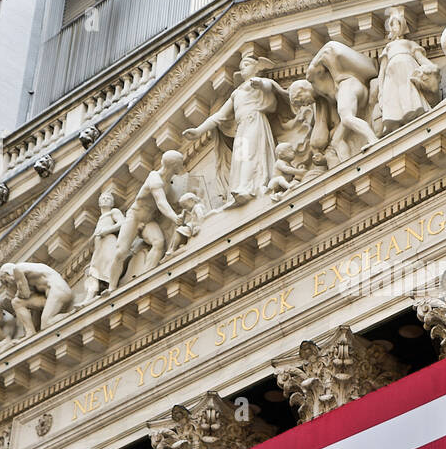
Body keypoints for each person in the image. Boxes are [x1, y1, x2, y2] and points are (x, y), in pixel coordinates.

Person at [183, 52, 290, 205]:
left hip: (254, 120)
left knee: (251, 154)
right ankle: (240, 188)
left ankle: (248, 187)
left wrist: (260, 85)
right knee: (240, 157)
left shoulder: (258, 82)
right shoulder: (236, 93)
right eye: (241, 67)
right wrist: (199, 131)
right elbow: (219, 115)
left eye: (246, 65)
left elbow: (269, 89)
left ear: (257, 67)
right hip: (242, 127)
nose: (243, 69)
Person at [108, 150, 189, 290]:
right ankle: (111, 287)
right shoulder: (155, 178)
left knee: (158, 242)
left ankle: (146, 276)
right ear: (173, 165)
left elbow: (172, 202)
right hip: (135, 217)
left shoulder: (168, 184)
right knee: (121, 251)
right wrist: (174, 217)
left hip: (148, 221)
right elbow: (161, 202)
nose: (181, 166)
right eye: (179, 163)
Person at [305, 40, 379, 159]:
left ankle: (373, 139)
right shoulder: (326, 98)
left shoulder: (313, 78)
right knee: (336, 140)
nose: (305, 104)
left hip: (349, 86)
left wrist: (333, 70)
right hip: (355, 90)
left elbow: (327, 49)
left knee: (347, 117)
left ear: (301, 91)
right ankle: (347, 164)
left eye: (299, 100)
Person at [373, 6, 439, 133]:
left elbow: (421, 59)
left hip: (408, 72)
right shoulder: (389, 47)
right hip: (393, 77)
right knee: (395, 97)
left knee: (410, 94)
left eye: (396, 24)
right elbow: (382, 71)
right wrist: (380, 91)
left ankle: (414, 115)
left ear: (402, 26)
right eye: (391, 25)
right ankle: (398, 120)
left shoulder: (408, 44)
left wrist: (432, 67)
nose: (394, 27)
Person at [0, 262, 74, 336]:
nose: (9, 285)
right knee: (17, 302)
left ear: (7, 273)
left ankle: (72, 314)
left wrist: (16, 293)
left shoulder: (17, 269)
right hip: (55, 294)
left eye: (6, 281)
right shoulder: (30, 270)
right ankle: (30, 332)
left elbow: (25, 294)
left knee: (46, 324)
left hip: (58, 292)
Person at [83, 191, 125, 300]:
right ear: (99, 203)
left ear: (112, 203)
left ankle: (112, 286)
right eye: (103, 198)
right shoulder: (101, 219)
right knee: (94, 271)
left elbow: (122, 222)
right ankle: (89, 297)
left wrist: (106, 231)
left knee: (109, 263)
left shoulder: (113, 212)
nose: (105, 199)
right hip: (99, 248)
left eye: (108, 198)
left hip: (109, 242)